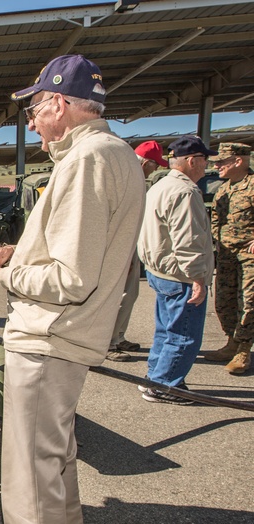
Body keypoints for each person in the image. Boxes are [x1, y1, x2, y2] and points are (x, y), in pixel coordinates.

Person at [0, 55, 145, 524]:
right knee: (56, 456)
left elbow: (69, 278)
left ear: (58, 103)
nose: (33, 121)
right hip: (68, 338)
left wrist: (0, 279)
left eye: (35, 107)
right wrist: (16, 254)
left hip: (49, 337)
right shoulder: (112, 155)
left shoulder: (85, 162)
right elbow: (74, 253)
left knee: (27, 476)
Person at [136, 136, 215, 404]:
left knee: (165, 330)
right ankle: (165, 386)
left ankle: (155, 377)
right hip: (180, 274)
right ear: (192, 160)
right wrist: (198, 278)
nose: (206, 166)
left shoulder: (161, 186)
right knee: (183, 335)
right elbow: (188, 238)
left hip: (160, 270)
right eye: (204, 160)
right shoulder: (185, 192)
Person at [106, 140, 169, 361]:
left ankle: (118, 335)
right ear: (145, 162)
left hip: (130, 244)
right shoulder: (127, 180)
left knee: (131, 294)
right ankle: (108, 343)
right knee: (119, 295)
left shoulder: (134, 179)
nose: (157, 169)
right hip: (120, 246)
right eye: (155, 164)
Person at [205, 142, 254, 375]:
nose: (217, 165)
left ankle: (244, 350)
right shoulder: (224, 189)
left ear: (238, 161)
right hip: (226, 255)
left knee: (248, 303)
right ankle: (231, 342)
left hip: (248, 257)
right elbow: (216, 219)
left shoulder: (253, 185)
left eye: (222, 161)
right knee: (224, 302)